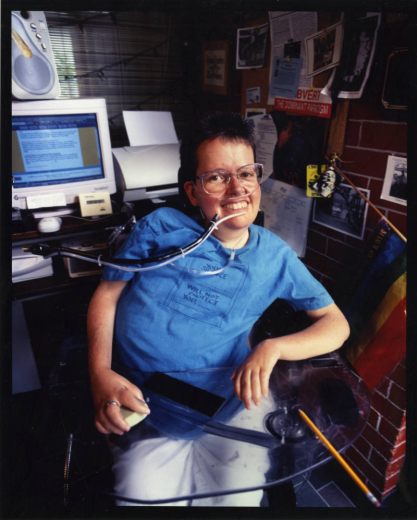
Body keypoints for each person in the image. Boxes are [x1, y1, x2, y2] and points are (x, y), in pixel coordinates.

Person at [87, 112, 350, 506]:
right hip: (144, 406)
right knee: (144, 499)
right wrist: (99, 374)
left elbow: (336, 324)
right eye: (216, 177)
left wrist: (273, 347)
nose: (236, 188)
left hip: (226, 405)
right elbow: (107, 295)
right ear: (193, 192)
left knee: (233, 499)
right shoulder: (161, 229)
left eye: (246, 173)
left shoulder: (273, 256)